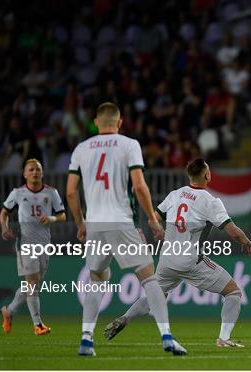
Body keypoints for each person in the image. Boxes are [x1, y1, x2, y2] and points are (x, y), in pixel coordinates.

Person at [66, 102, 186, 356]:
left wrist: (80, 224)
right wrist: (153, 218)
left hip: (95, 224)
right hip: (121, 221)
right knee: (149, 277)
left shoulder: (81, 149)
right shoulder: (129, 145)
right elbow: (140, 187)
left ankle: (86, 339)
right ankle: (166, 336)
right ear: (119, 123)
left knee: (97, 279)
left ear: (96, 122)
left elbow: (70, 191)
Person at [103, 158, 251, 347]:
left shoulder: (175, 194)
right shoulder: (210, 201)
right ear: (207, 175)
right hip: (191, 261)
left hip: (167, 259)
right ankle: (224, 338)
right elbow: (232, 231)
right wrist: (247, 242)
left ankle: (125, 318)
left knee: (155, 297)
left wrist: (158, 230)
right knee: (233, 292)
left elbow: (154, 218)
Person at [0, 159, 66, 335]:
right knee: (33, 282)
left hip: (44, 243)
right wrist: (4, 227)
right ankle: (38, 324)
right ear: (25, 174)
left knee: (32, 285)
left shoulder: (51, 193)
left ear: (42, 173)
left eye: (38, 169)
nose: (35, 172)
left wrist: (51, 218)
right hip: (25, 242)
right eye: (31, 169)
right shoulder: (18, 193)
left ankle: (9, 311)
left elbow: (62, 216)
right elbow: (4, 212)